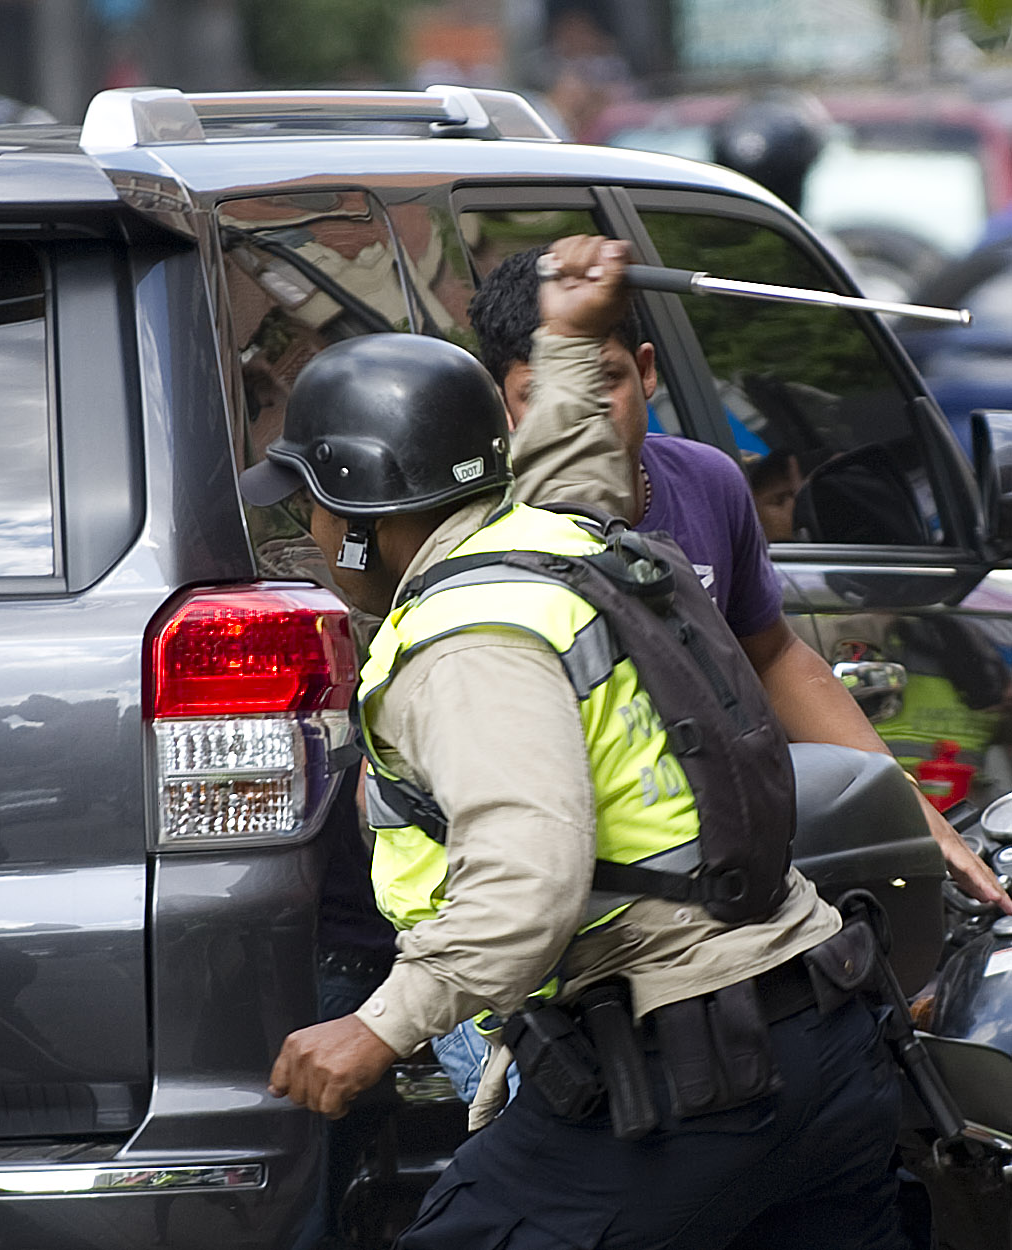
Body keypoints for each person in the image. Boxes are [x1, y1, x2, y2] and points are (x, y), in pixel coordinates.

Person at [246, 333, 909, 1250]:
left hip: (693, 1078)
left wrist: (376, 1028)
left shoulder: (468, 639)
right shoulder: (563, 541)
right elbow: (575, 449)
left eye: (310, 512)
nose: (306, 538)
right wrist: (563, 333)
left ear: (359, 516)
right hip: (828, 1042)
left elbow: (528, 880)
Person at [475, 236, 1008, 916]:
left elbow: (773, 654)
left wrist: (907, 809)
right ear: (503, 404)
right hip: (559, 889)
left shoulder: (709, 482)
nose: (585, 415)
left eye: (602, 379)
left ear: (646, 372)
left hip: (722, 875)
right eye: (543, 394)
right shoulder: (486, 527)